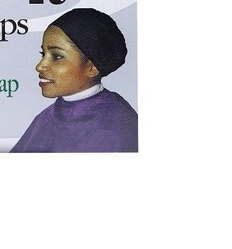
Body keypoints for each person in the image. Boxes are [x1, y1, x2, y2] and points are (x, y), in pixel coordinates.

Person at [11, 8, 138, 152]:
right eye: (43, 53)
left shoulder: (116, 125)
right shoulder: (47, 116)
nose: (39, 66)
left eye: (57, 56)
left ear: (92, 68)